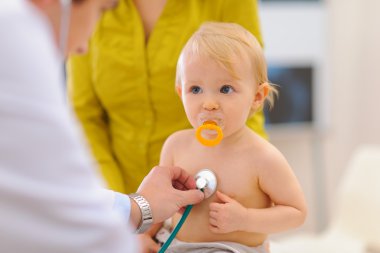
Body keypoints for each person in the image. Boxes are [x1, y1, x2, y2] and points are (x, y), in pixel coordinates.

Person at [0, 0, 204, 252]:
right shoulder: (15, 36)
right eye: (100, 11)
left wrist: (140, 207)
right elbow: (64, 212)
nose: (84, 47)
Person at [66, 0, 268, 194]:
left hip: (206, 195)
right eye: (195, 89)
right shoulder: (88, 5)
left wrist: (245, 187)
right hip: (116, 197)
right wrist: (119, 204)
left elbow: (247, 92)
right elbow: (84, 114)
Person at [143, 22, 308, 252]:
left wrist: (246, 219)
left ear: (257, 96)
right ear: (181, 92)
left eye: (226, 89)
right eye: (196, 90)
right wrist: (146, 235)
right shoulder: (175, 145)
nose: (209, 104)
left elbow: (297, 213)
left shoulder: (262, 157)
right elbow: (160, 203)